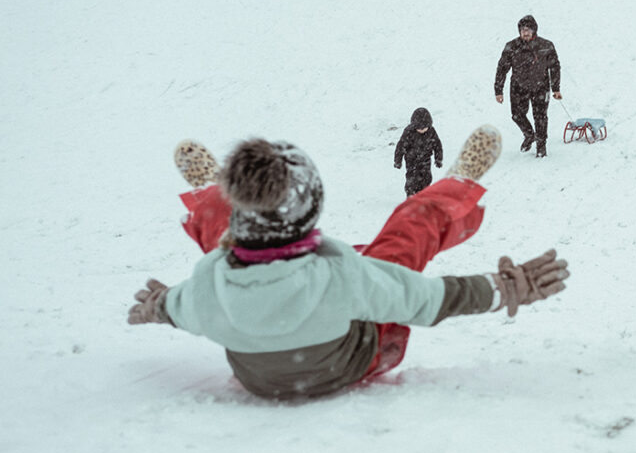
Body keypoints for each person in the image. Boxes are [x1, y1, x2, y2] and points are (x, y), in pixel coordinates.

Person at [128, 126, 571, 400]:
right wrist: (505, 288)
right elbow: (425, 300)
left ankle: (217, 194)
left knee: (224, 237)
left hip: (259, 381)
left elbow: (177, 307)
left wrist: (158, 304)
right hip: (351, 363)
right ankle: (455, 186)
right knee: (402, 242)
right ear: (310, 211)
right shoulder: (341, 278)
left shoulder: (210, 285)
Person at [494, 15, 561, 158]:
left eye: (528, 29)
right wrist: (498, 91)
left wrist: (556, 88)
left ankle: (541, 146)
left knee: (541, 117)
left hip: (541, 87)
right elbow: (502, 68)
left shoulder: (546, 45)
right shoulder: (511, 47)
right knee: (517, 115)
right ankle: (530, 135)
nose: (525, 32)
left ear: (534, 30)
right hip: (519, 87)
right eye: (523, 30)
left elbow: (555, 67)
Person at [393, 107, 444, 197]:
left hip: (426, 159)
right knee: (412, 179)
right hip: (411, 160)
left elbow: (437, 146)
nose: (421, 130)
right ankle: (411, 194)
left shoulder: (431, 132)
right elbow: (400, 146)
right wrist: (398, 161)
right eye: (419, 128)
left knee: (426, 178)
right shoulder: (409, 132)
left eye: (424, 128)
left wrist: (438, 159)